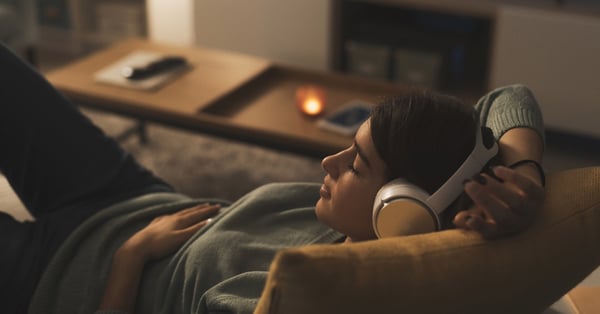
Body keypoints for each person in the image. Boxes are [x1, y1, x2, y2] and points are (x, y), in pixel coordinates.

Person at [0, 42, 545, 314]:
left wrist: (131, 257)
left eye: (357, 165)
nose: (328, 166)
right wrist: (525, 174)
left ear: (399, 209)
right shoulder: (355, 225)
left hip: (54, 273)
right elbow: (509, 97)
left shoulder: (290, 297)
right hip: (129, 194)